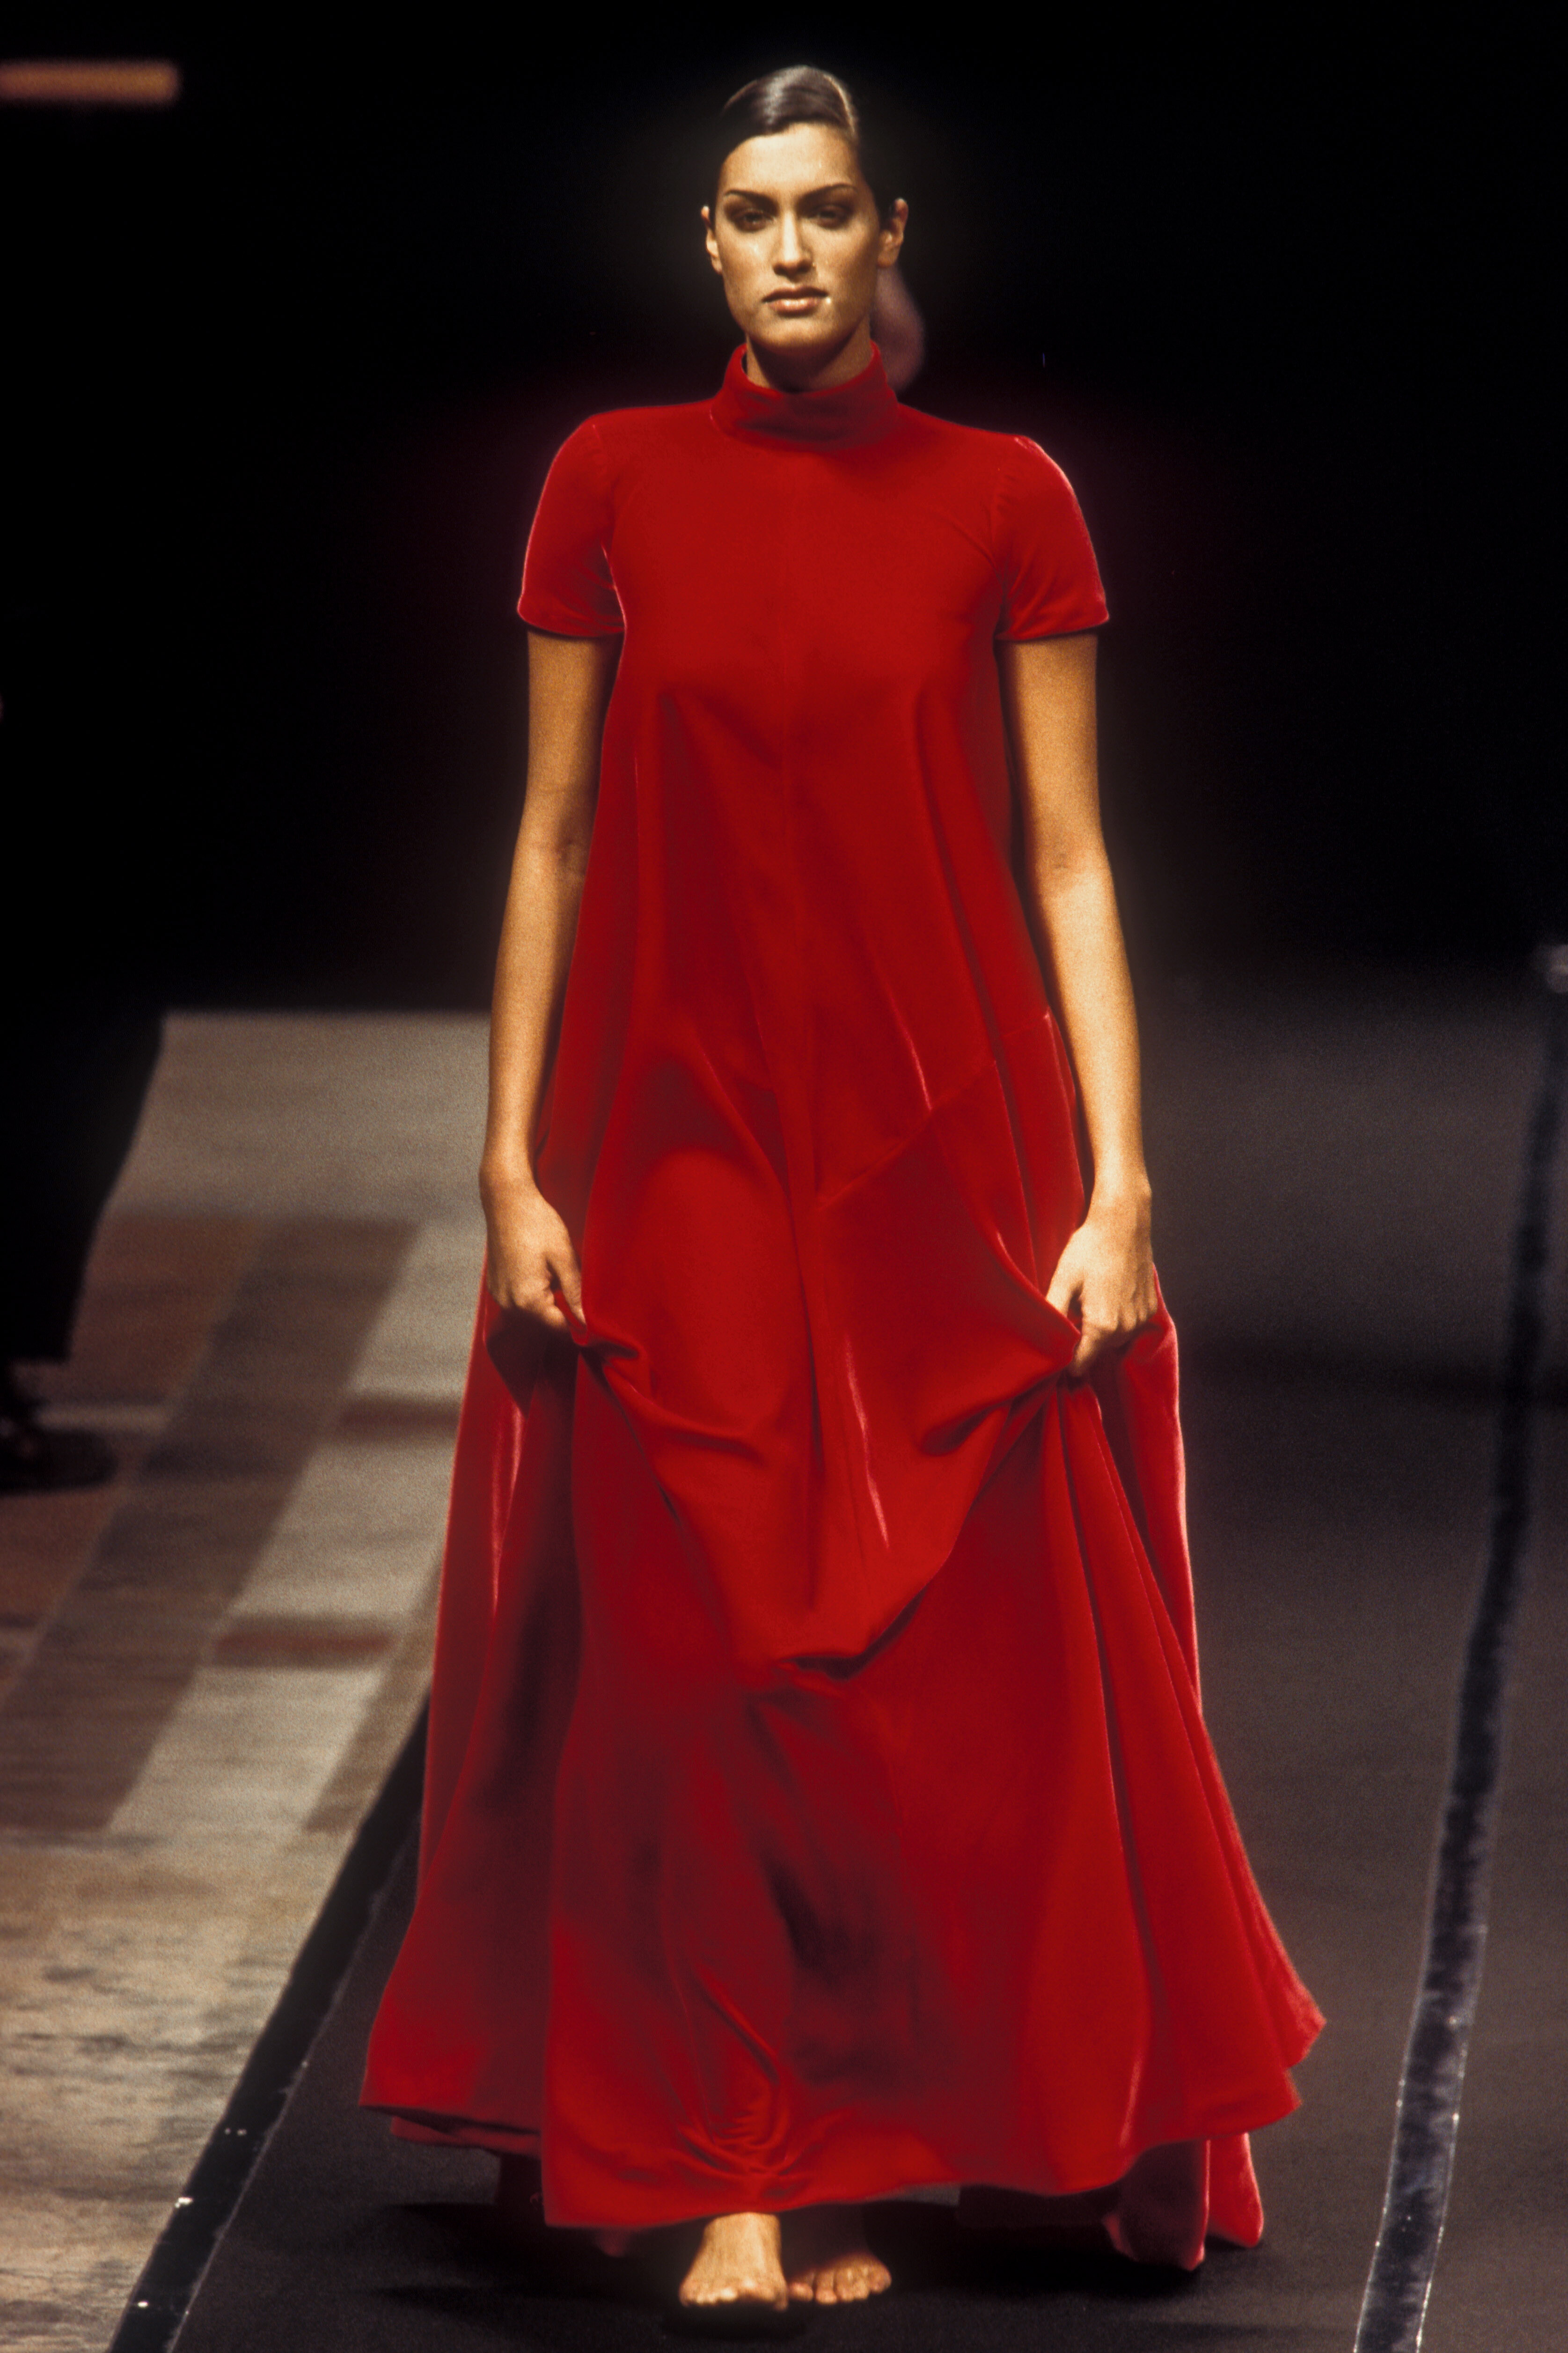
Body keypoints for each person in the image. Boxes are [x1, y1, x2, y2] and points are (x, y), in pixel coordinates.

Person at [360, 65, 1323, 2314]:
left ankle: (884, 2131)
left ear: (888, 239)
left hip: (938, 1143)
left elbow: (1070, 859)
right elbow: (551, 838)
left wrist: (1121, 1180)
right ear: (704, 248)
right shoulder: (611, 481)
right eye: (745, 213)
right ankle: (731, 2170)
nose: (785, 248)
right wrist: (505, 1162)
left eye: (822, 211)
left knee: (933, 1677)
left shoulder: (1006, 496)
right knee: (699, 1659)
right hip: (677, 1134)